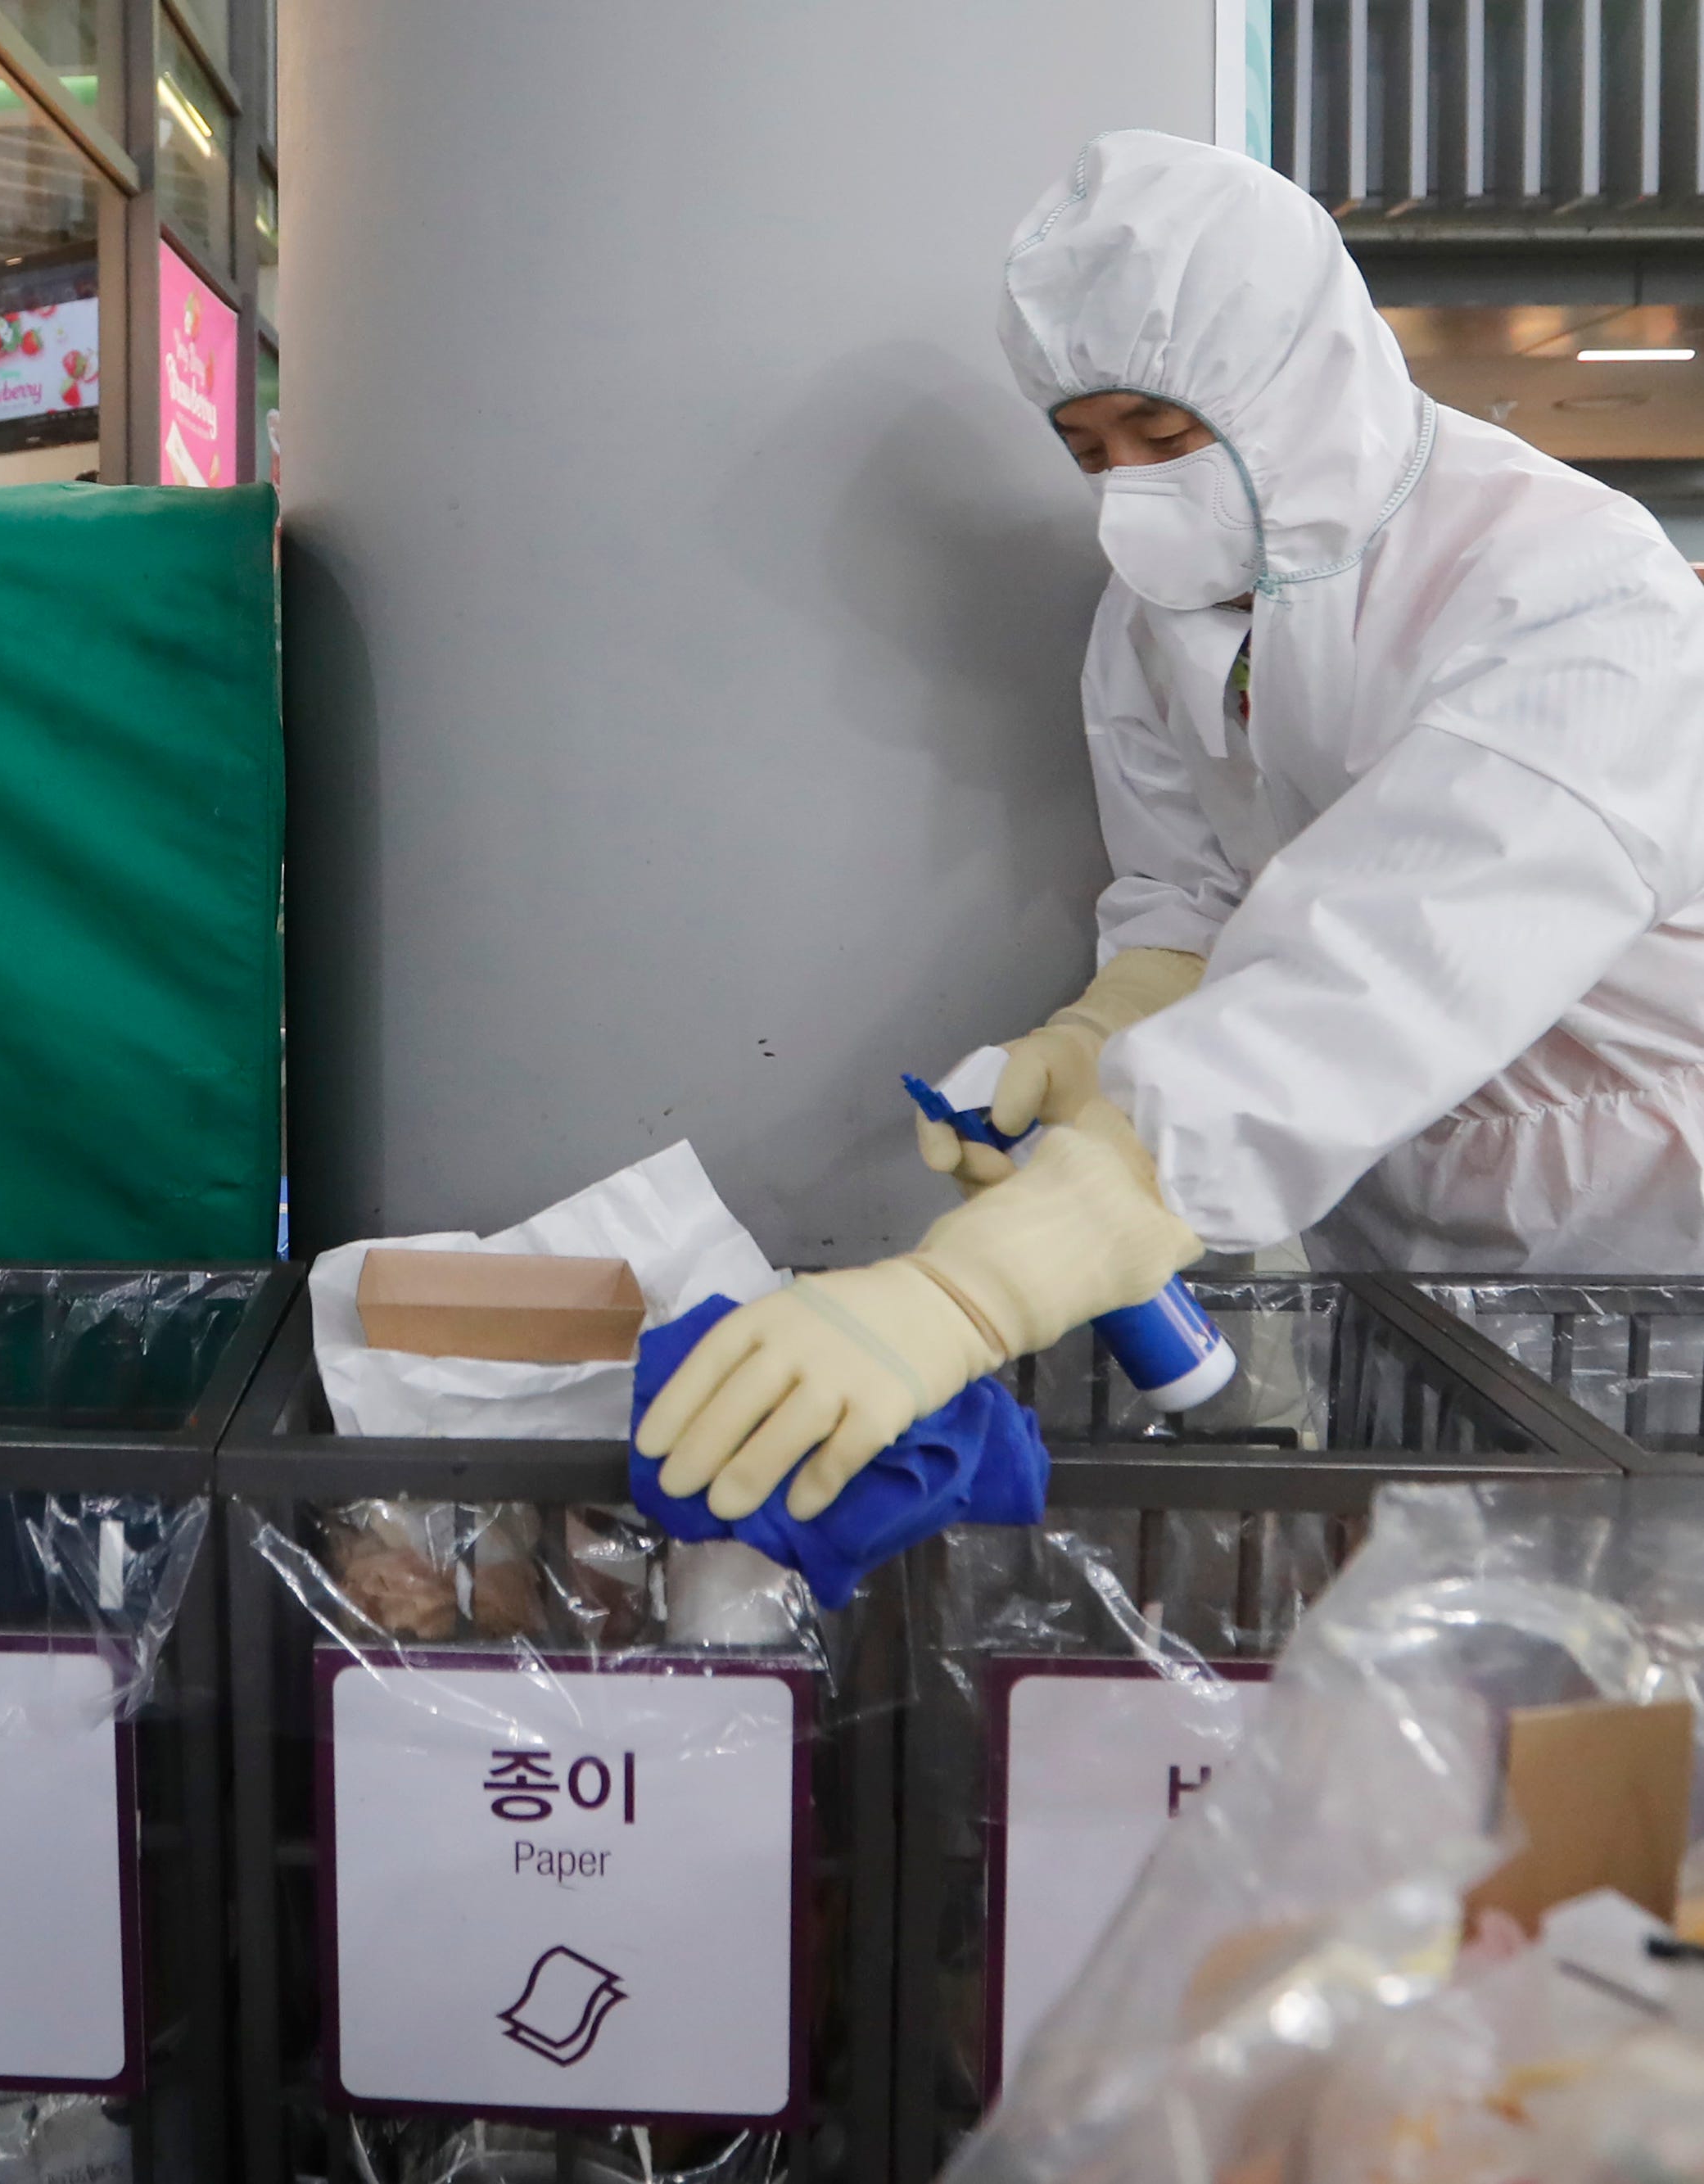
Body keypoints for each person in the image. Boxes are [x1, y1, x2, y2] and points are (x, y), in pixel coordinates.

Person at [638, 128, 1704, 1522]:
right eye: (1087, 448)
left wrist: (973, 1289)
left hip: (1647, 1244)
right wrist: (1100, 1033)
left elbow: (1381, 978)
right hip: (1392, 1230)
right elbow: (1195, 892)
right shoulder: (1154, 614)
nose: (1130, 484)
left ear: (1300, 382)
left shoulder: (1570, 595)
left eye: (1168, 433)